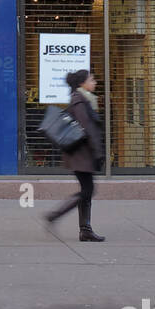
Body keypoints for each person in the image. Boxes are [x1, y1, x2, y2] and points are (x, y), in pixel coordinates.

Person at [45, 69, 106, 242]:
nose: (94, 82)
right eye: (91, 79)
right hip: (82, 155)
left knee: (87, 191)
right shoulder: (79, 101)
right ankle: (55, 215)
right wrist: (98, 152)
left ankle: (85, 230)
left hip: (82, 154)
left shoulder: (83, 99)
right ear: (82, 83)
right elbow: (88, 128)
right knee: (87, 191)